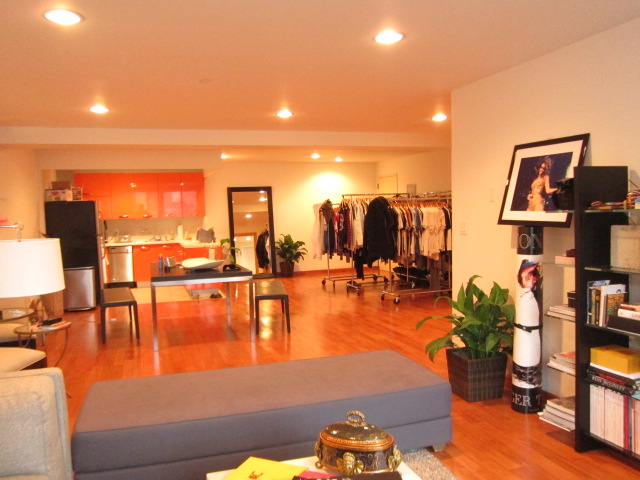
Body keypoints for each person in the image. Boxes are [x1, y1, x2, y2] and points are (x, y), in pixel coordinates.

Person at [512, 260, 542, 388]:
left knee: (529, 359)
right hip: (523, 336)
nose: (528, 278)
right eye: (525, 275)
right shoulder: (524, 296)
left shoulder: (530, 297)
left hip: (530, 336)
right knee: (523, 359)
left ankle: (527, 378)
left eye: (531, 275)